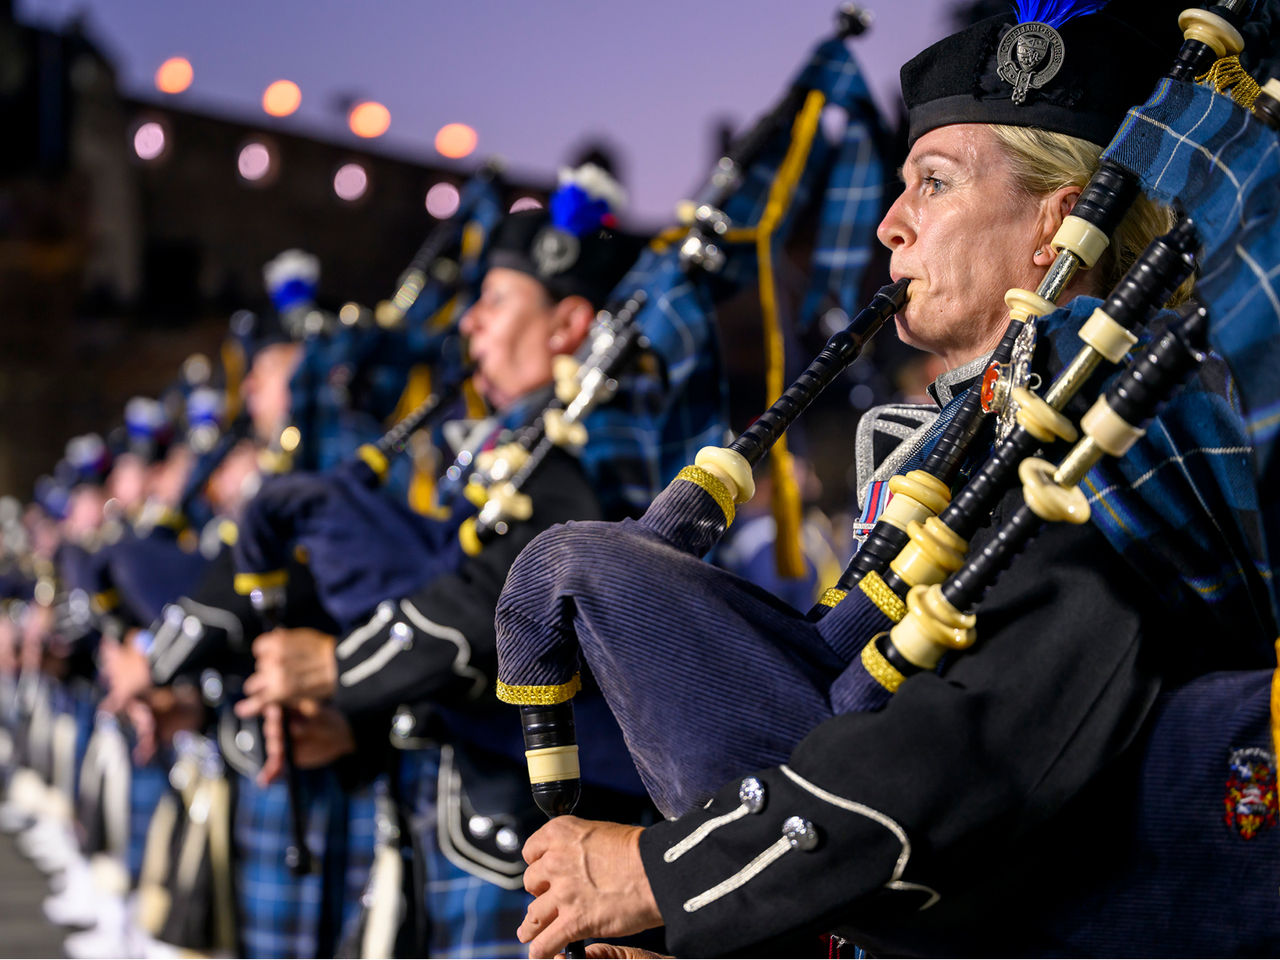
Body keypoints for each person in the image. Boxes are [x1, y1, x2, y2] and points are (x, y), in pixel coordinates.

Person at [499, 7, 1278, 957]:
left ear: (1058, 224)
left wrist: (665, 874)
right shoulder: (967, 435)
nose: (890, 222)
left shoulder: (1112, 430)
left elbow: (976, 747)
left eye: (935, 183)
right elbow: (845, 712)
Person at [230, 165, 664, 958]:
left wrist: (336, 672)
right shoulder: (509, 455)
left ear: (568, 325)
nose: (469, 324)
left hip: (528, 841)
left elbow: (494, 608)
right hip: (469, 822)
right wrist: (353, 722)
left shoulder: (590, 459)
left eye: (496, 302)